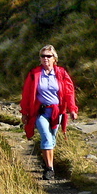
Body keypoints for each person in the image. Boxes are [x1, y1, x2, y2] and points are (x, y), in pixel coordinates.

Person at [20, 44, 78, 180]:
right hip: (40, 111)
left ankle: (48, 164)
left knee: (52, 139)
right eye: (43, 56)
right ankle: (49, 169)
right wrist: (25, 113)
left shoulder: (61, 73)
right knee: (46, 138)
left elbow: (69, 93)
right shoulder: (34, 74)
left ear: (54, 58)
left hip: (56, 112)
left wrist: (72, 109)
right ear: (40, 58)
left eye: (48, 56)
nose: (45, 58)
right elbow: (27, 94)